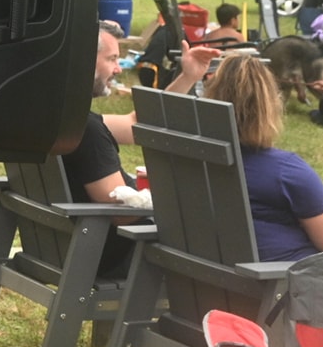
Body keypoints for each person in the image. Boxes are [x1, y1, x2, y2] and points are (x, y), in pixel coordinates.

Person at [62, 23, 215, 277]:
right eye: (112, 59)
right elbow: (119, 213)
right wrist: (177, 207)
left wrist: (188, 76)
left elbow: (137, 124)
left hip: (67, 248)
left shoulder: (60, 120)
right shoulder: (87, 132)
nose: (118, 68)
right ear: (84, 60)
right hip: (114, 257)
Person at [204, 52, 323, 263]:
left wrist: (187, 76)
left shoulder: (192, 160)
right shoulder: (285, 172)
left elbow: (156, 129)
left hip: (209, 284)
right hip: (280, 287)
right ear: (271, 107)